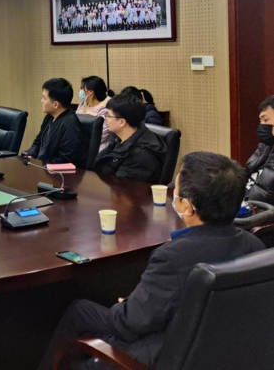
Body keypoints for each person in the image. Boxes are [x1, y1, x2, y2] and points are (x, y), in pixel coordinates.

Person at [38, 152, 265, 370]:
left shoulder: (173, 257)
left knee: (80, 311)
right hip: (227, 352)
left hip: (165, 354)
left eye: (175, 191)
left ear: (187, 207)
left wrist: (126, 306)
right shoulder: (255, 246)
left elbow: (130, 324)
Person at [93, 94, 166, 184]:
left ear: (122, 122)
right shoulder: (118, 138)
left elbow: (121, 186)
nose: (106, 119)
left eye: (108, 115)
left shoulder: (140, 155)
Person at [24, 78, 84, 166]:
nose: (41, 101)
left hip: (52, 171)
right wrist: (31, 155)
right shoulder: (49, 117)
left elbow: (66, 159)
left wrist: (41, 164)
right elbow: (38, 141)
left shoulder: (70, 124)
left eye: (44, 98)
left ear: (56, 104)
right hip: (40, 166)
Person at [245, 95, 274, 204]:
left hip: (263, 213)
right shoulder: (265, 147)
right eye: (260, 121)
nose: (261, 125)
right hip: (245, 207)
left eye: (266, 120)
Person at [75, 76, 112, 152]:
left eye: (82, 88)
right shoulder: (82, 105)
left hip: (98, 149)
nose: (80, 91)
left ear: (91, 92)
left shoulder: (106, 108)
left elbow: (101, 135)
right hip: (79, 145)